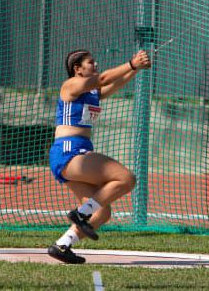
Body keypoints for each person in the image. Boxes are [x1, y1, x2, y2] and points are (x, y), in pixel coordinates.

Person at [47, 49, 151, 264]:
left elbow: (114, 84)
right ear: (78, 69)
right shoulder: (71, 85)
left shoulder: (93, 92)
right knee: (126, 179)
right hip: (68, 151)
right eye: (90, 62)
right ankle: (81, 213)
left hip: (79, 153)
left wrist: (136, 69)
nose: (95, 65)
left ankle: (62, 245)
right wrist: (132, 63)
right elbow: (103, 78)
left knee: (102, 213)